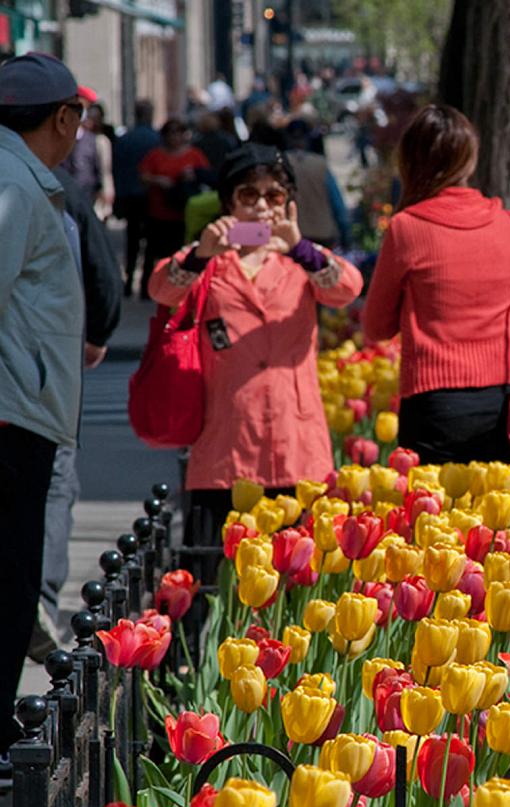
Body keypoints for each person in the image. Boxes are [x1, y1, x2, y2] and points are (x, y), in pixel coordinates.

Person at [147, 144, 362, 547]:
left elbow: (347, 288)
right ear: (229, 202)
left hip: (293, 440)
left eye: (274, 195)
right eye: (249, 195)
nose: (262, 207)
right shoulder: (210, 261)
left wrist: (301, 249)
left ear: (287, 203)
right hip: (226, 442)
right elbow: (161, 288)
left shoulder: (303, 260)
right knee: (218, 578)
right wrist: (200, 254)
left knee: (289, 581)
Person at [362, 104, 510, 465]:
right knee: (495, 518)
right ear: (470, 161)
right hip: (505, 403)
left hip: (434, 406)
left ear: (410, 162)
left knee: (435, 518)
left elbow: (376, 327)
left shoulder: (407, 230)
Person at [0, 53, 86, 757]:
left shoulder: (21, 179)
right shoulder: (15, 185)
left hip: (21, 407)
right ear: (62, 118)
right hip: (11, 416)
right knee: (9, 576)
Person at [32, 164, 123, 660]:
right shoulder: (56, 188)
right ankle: (38, 599)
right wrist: (98, 333)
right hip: (49, 367)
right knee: (53, 479)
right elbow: (103, 273)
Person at [139, 118, 209, 299]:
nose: (175, 137)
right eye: (171, 132)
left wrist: (192, 176)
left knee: (179, 253)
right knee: (153, 251)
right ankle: (148, 287)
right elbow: (143, 176)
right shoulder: (155, 155)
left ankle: (175, 288)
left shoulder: (194, 155)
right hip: (158, 211)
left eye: (179, 132)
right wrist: (158, 180)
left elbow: (206, 178)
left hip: (183, 213)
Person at [112, 98, 159, 297]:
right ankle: (146, 284)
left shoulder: (125, 139)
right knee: (150, 240)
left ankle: (129, 280)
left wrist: (118, 194)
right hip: (150, 196)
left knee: (131, 239)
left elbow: (116, 169)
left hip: (129, 194)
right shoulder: (156, 139)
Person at [282, 119, 350, 248]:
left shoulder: (280, 164)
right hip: (323, 233)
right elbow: (337, 204)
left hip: (294, 235)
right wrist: (346, 235)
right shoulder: (320, 164)